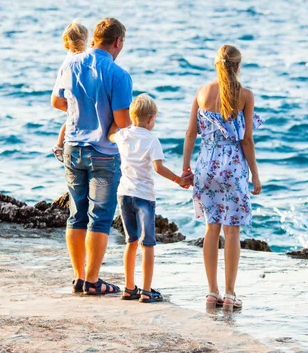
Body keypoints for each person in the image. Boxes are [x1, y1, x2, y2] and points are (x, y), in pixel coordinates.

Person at [51, 17, 132, 295]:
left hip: (73, 148)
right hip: (103, 154)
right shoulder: (119, 75)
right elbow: (122, 120)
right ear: (118, 42)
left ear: (95, 38)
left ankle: (78, 276)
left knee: (76, 214)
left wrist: (80, 113)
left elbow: (59, 101)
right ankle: (93, 281)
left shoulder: (71, 63)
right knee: (99, 217)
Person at [182, 44, 263, 311]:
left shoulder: (202, 92)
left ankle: (211, 291)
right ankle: (229, 294)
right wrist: (255, 175)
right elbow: (247, 140)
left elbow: (191, 134)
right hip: (233, 168)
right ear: (238, 66)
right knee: (232, 232)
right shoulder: (245, 95)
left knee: (211, 228)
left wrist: (186, 168)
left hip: (206, 164)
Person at [108, 94, 192, 303]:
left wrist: (112, 116)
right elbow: (158, 167)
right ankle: (146, 291)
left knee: (131, 241)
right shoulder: (152, 140)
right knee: (148, 244)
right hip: (144, 196)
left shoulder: (124, 135)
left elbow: (111, 134)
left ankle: (129, 288)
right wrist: (178, 180)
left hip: (124, 194)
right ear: (151, 118)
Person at [51, 20, 89, 162]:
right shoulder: (85, 59)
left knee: (69, 120)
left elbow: (56, 101)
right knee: (69, 120)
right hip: (81, 104)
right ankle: (58, 145)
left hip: (73, 102)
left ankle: (59, 145)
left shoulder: (67, 62)